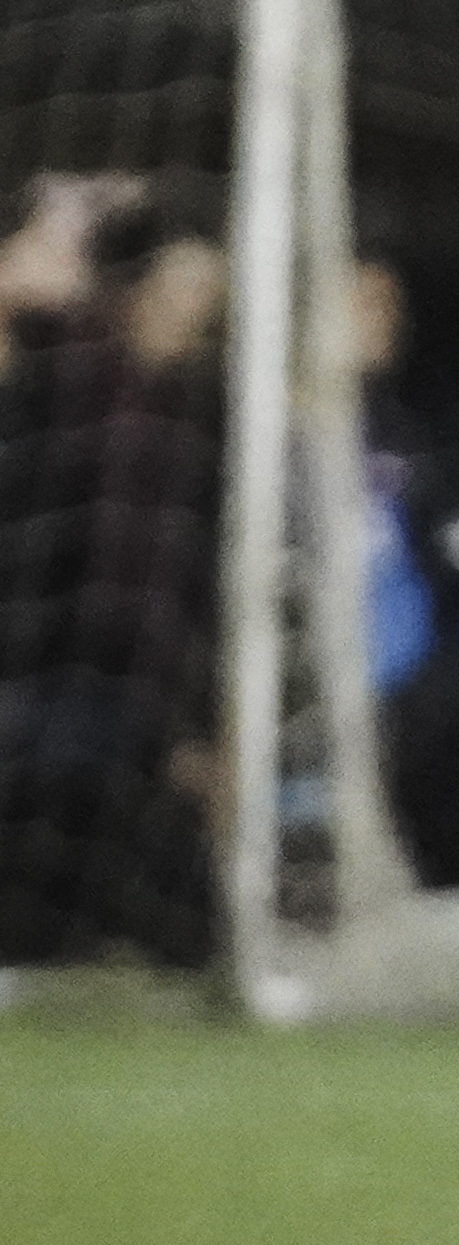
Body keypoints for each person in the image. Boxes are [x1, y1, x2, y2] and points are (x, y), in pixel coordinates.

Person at [0, 176, 229, 968]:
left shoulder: (186, 420)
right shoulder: (66, 380)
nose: (191, 313)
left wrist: (194, 720)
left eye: (207, 297)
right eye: (179, 290)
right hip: (49, 678)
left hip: (127, 694)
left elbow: (176, 583)